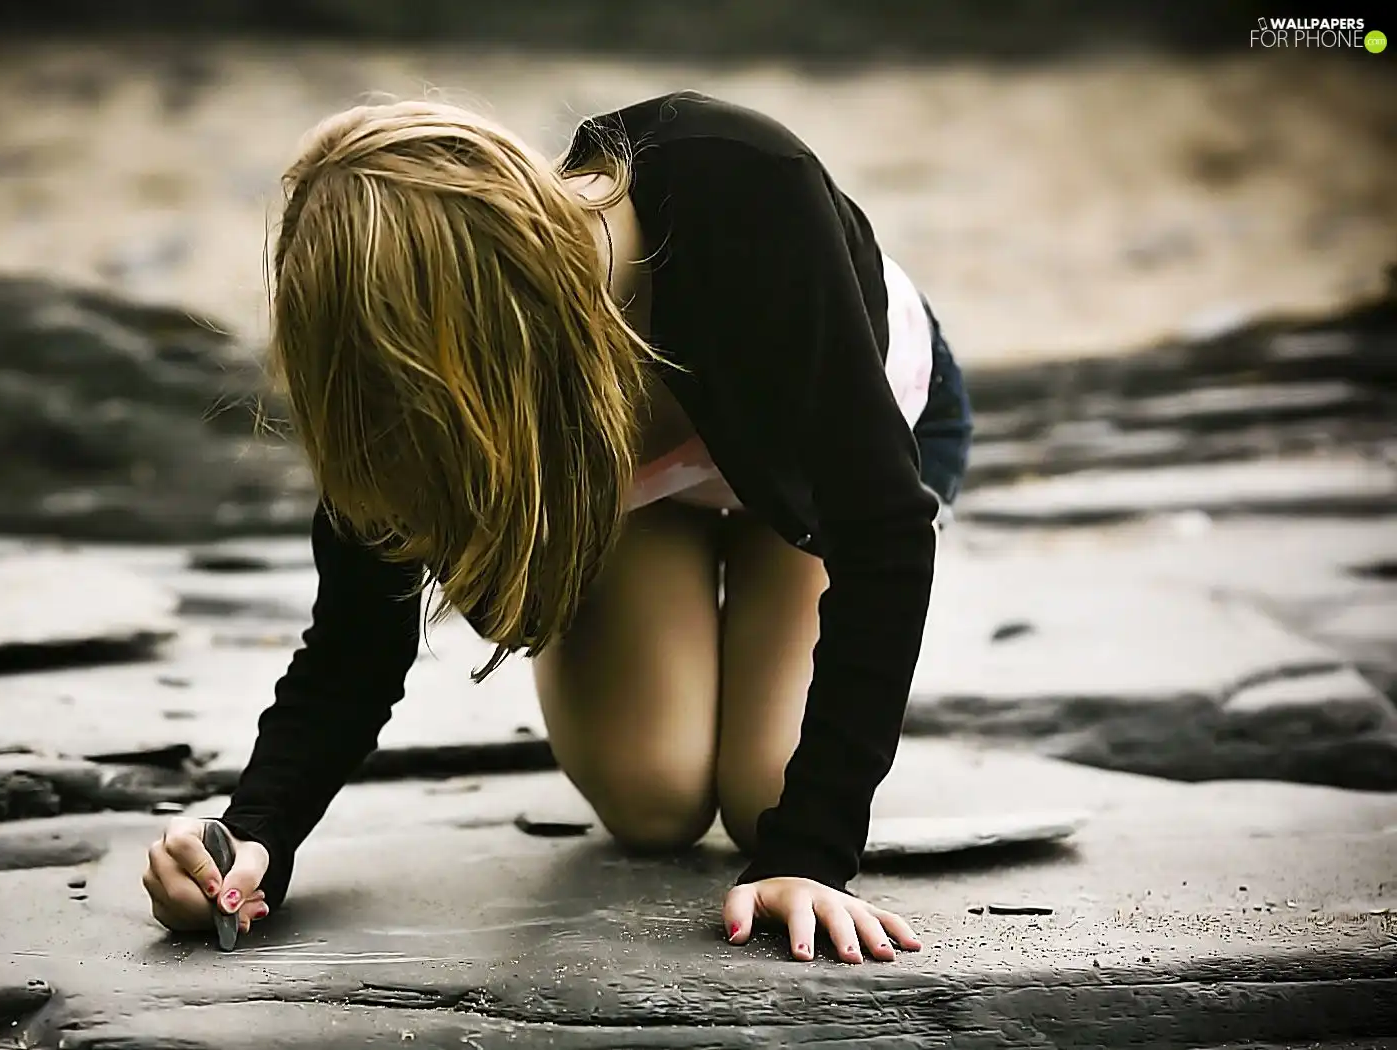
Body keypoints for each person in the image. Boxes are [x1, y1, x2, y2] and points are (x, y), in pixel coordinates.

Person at [141, 90, 974, 964]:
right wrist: (253, 842)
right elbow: (355, 640)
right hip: (640, 501)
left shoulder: (745, 185)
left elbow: (882, 532)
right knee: (654, 801)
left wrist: (811, 856)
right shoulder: (403, 374)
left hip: (821, 476)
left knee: (771, 794)